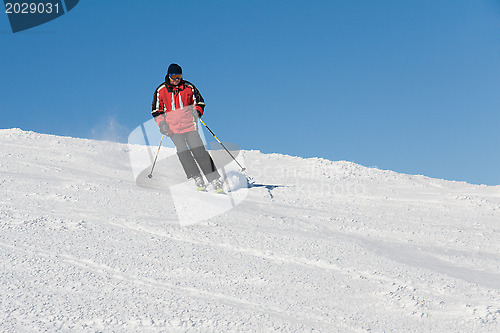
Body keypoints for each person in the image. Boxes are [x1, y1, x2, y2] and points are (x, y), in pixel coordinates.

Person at [151, 63, 223, 192]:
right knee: (182, 150)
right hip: (173, 128)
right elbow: (157, 110)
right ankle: (196, 176)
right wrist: (162, 124)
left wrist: (197, 112)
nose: (177, 78)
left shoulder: (189, 87)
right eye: (174, 76)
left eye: (179, 75)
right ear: (169, 75)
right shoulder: (160, 90)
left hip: (190, 125)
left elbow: (200, 102)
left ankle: (214, 178)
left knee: (198, 150)